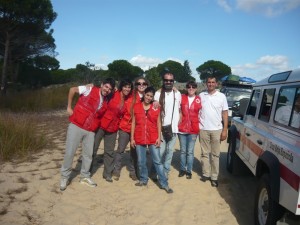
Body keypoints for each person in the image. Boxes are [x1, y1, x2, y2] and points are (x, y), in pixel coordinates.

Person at [60, 78, 115, 191]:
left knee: (88, 155)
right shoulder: (89, 89)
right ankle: (64, 177)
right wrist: (69, 106)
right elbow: (72, 90)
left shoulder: (105, 100)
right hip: (77, 125)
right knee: (70, 152)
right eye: (106, 87)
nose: (107, 90)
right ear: (102, 84)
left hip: (90, 130)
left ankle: (84, 176)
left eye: (110, 89)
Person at [131, 86, 173, 193]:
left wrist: (159, 137)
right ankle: (143, 179)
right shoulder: (136, 106)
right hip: (139, 136)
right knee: (141, 161)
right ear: (144, 94)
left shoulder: (155, 107)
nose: (148, 97)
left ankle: (164, 184)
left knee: (158, 161)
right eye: (147, 95)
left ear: (153, 97)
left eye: (151, 96)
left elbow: (159, 123)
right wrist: (132, 138)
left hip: (153, 137)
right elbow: (133, 123)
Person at [92, 78, 133, 182]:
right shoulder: (113, 93)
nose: (127, 89)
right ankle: (87, 171)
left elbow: (143, 95)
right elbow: (102, 91)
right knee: (93, 148)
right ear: (121, 87)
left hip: (113, 128)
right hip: (101, 124)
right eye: (125, 86)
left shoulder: (129, 98)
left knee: (109, 152)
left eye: (129, 87)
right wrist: (90, 85)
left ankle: (107, 174)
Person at [112, 77, 150, 181]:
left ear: (147, 85)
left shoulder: (149, 96)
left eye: (144, 83)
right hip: (125, 127)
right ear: (136, 84)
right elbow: (120, 92)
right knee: (120, 149)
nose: (141, 85)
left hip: (138, 129)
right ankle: (117, 170)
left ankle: (133, 171)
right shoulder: (130, 93)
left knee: (134, 152)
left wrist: (175, 89)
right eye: (139, 83)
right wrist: (115, 89)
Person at [199, 75, 228, 187]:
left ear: (216, 84)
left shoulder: (221, 96)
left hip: (217, 129)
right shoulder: (201, 95)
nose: (210, 84)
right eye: (209, 82)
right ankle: (206, 174)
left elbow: (225, 114)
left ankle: (214, 177)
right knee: (204, 154)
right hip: (203, 129)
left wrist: (225, 130)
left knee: (215, 155)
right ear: (206, 83)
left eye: (213, 82)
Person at [153, 69, 181, 178]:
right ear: (163, 81)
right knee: (160, 152)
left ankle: (165, 172)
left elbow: (179, 109)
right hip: (161, 128)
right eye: (166, 80)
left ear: (173, 81)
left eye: (170, 80)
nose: (168, 82)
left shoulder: (177, 93)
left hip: (173, 128)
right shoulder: (158, 93)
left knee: (169, 153)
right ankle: (156, 172)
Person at [178, 81, 202, 179]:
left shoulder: (199, 99)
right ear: (186, 88)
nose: (191, 88)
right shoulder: (181, 97)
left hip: (193, 129)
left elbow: (202, 113)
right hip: (182, 129)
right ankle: (182, 169)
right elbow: (178, 110)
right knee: (183, 151)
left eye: (193, 87)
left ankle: (189, 171)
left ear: (196, 88)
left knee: (190, 151)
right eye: (189, 87)